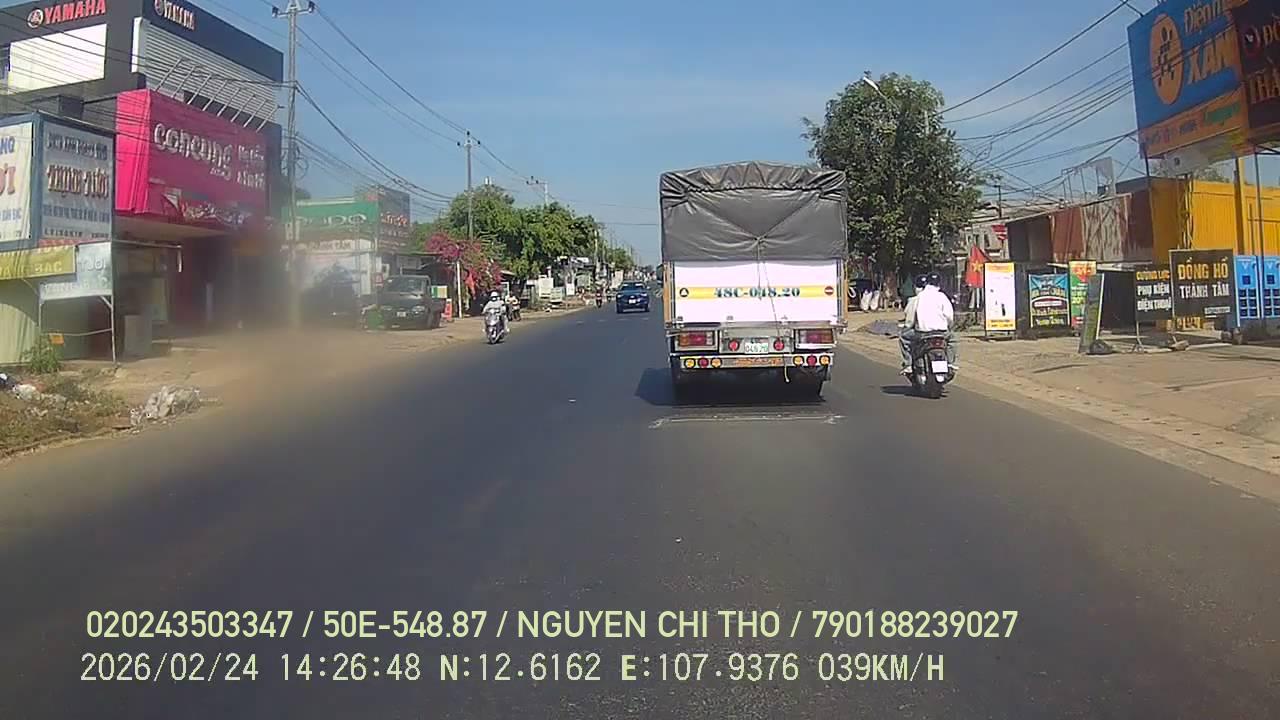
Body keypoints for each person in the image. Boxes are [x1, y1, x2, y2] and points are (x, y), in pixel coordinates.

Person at [900, 272, 956, 375]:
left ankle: (908, 365)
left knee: (903, 337)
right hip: (941, 333)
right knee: (952, 340)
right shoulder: (942, 296)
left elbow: (910, 319)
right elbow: (949, 316)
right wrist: (949, 326)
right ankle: (950, 363)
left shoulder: (919, 297)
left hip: (922, 333)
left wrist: (907, 327)